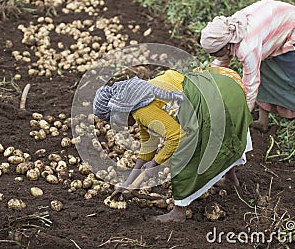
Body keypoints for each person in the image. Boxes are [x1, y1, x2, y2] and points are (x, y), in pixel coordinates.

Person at [93, 67, 252, 222]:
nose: (121, 126)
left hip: (213, 99)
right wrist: (128, 183)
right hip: (220, 88)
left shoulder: (141, 111)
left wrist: (155, 163)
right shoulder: (139, 98)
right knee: (220, 137)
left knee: (182, 154)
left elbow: (176, 136)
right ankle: (231, 177)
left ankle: (178, 212)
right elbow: (148, 146)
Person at [200, 0, 295, 150]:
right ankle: (263, 121)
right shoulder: (228, 33)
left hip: (290, 24)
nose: (213, 56)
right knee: (265, 75)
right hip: (268, 28)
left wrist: (243, 117)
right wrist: (206, 84)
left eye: (214, 53)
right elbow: (219, 64)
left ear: (226, 45)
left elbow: (251, 85)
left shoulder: (247, 47)